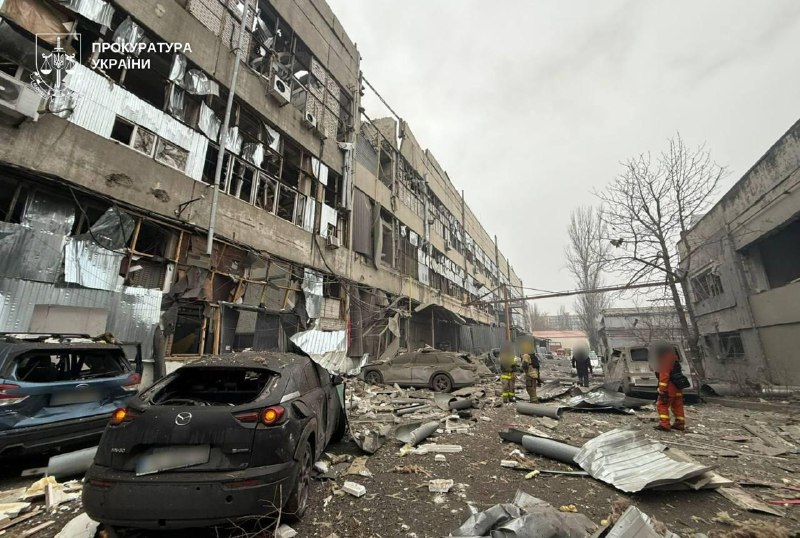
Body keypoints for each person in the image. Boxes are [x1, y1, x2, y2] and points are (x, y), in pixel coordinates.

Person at [654, 341, 687, 432]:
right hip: (678, 386)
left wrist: (662, 390)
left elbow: (664, 375)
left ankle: (664, 424)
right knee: (677, 405)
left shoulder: (665, 360)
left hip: (669, 386)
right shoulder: (675, 359)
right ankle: (680, 423)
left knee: (662, 405)